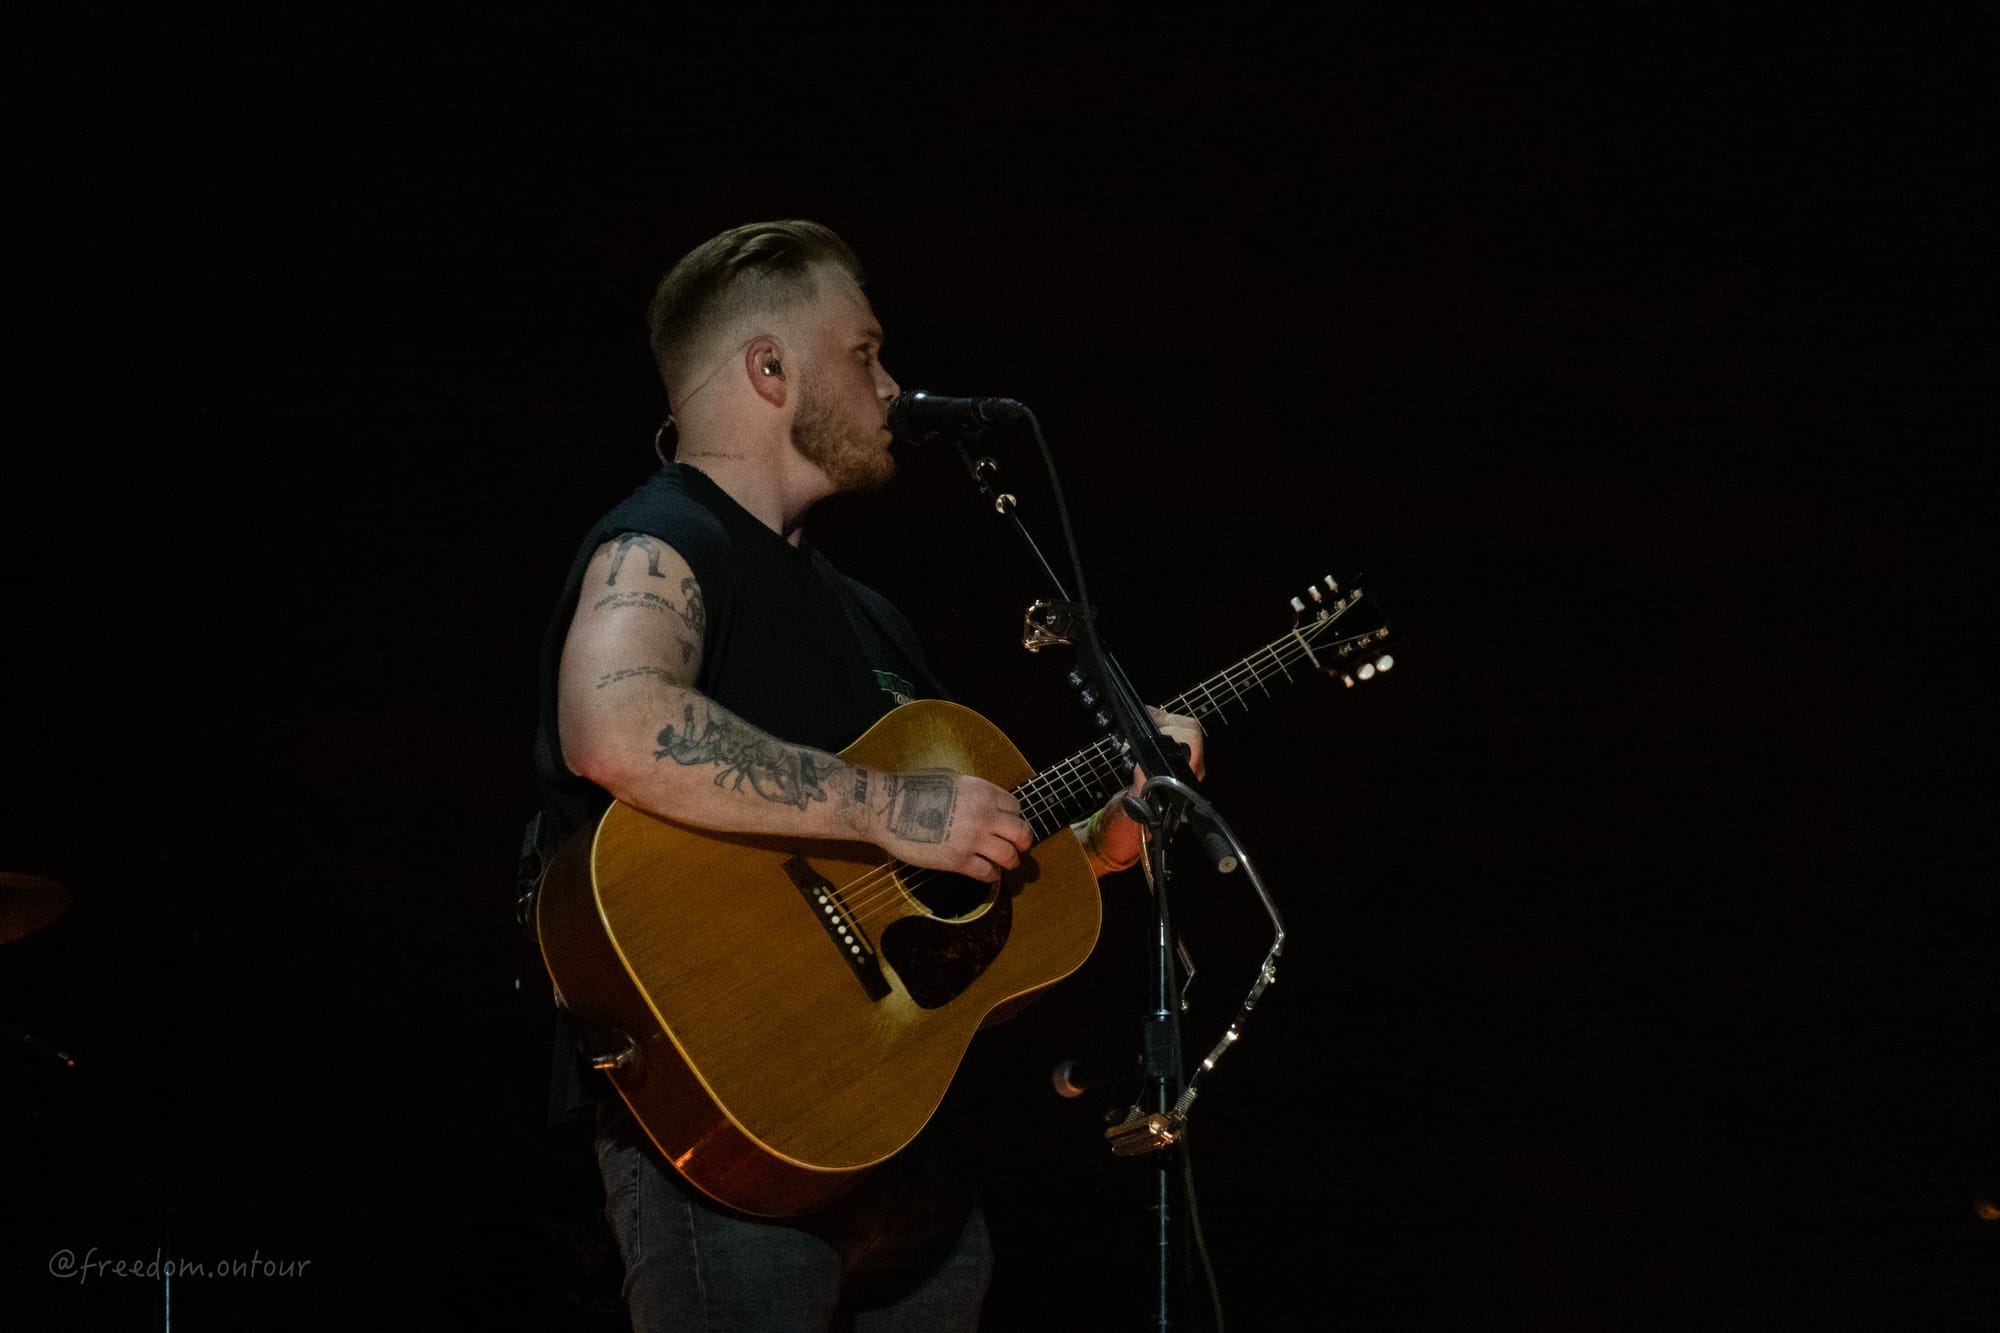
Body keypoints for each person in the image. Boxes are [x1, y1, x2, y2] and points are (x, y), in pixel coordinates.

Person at [532, 219, 1205, 1331]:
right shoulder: (663, 541)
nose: (891, 386)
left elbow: (943, 872)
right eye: (865, 352)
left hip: (898, 1138)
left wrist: (1104, 841)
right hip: (728, 1119)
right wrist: (892, 805)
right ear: (769, 368)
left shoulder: (869, 616)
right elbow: (613, 719)